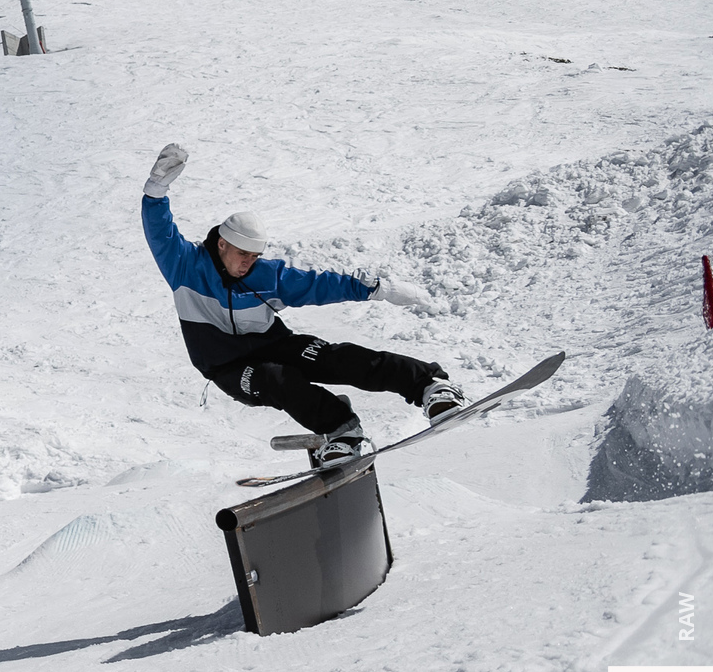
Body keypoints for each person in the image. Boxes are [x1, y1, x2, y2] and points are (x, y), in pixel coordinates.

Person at [140, 143, 468, 468]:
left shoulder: (267, 275)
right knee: (276, 380)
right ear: (222, 244)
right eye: (242, 255)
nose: (248, 263)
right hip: (227, 367)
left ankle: (430, 386)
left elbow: (317, 284)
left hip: (276, 344)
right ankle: (343, 433)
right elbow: (159, 232)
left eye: (255, 256)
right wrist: (156, 189)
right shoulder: (185, 267)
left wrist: (377, 289)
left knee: (335, 359)